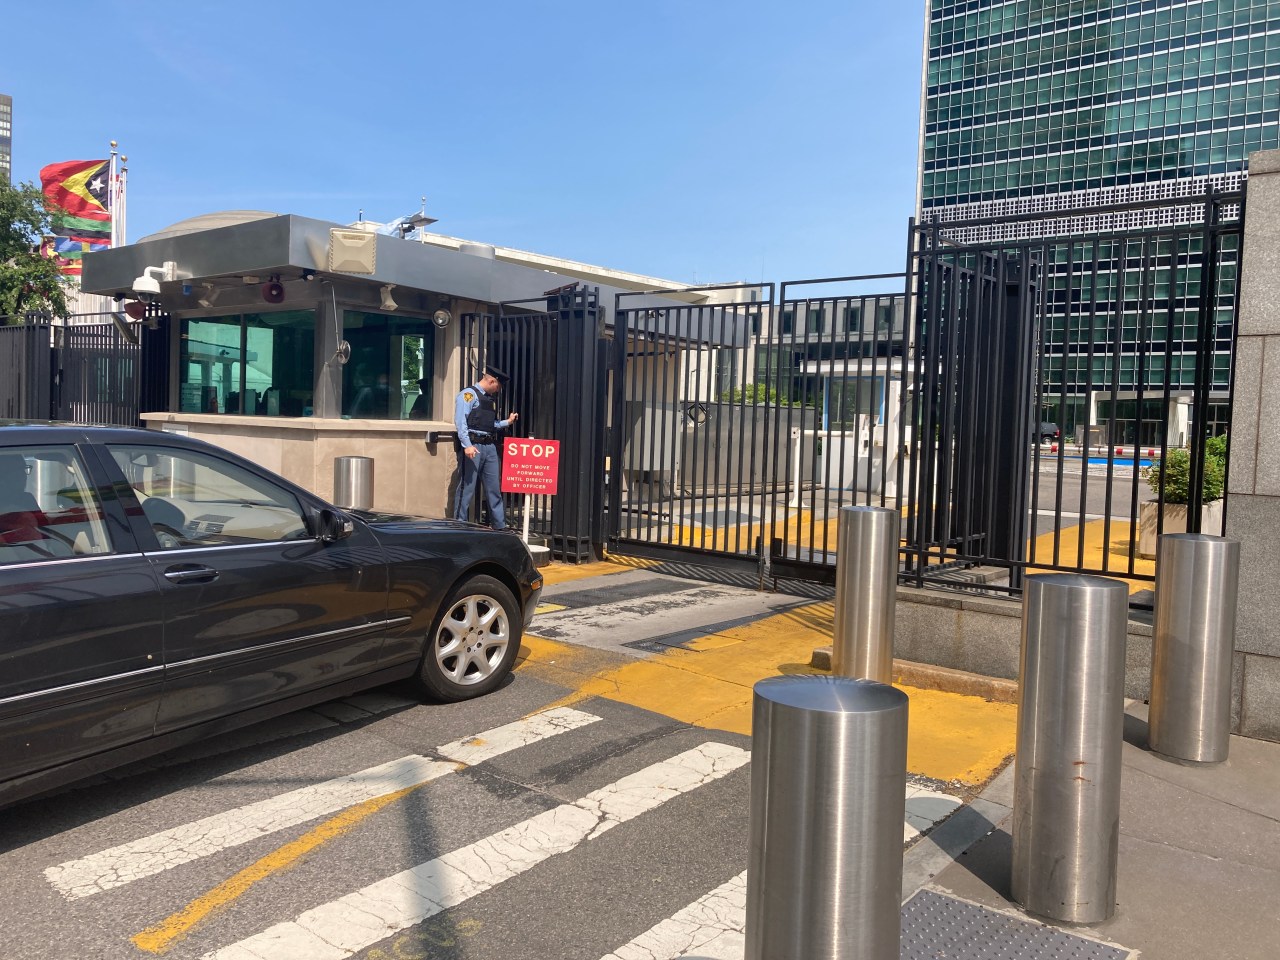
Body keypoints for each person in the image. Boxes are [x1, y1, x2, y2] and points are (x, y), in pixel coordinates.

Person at [453, 367, 518, 530]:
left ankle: (499, 525)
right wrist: (467, 445)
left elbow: (491, 424)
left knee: (493, 488)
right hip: (473, 445)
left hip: (489, 446)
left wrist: (507, 422)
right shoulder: (468, 395)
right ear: (491, 381)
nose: (498, 390)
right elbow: (461, 423)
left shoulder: (489, 401)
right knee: (466, 488)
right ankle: (458, 524)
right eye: (498, 386)